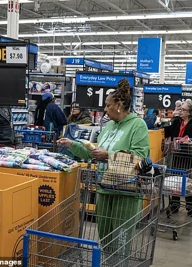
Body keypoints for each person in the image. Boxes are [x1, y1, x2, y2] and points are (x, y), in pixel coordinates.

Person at [57, 78, 149, 262]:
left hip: (126, 194)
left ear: (120, 104)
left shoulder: (138, 125)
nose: (104, 110)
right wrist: (73, 145)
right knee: (106, 241)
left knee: (120, 244)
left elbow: (141, 159)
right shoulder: (108, 127)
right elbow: (95, 152)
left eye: (107, 106)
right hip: (104, 188)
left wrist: (109, 155)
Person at [164, 100, 192, 218]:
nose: (180, 111)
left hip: (190, 157)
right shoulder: (176, 122)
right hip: (177, 155)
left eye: (183, 110)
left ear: (190, 112)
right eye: (180, 109)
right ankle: (174, 203)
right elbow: (168, 132)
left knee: (189, 181)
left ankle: (190, 206)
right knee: (175, 180)